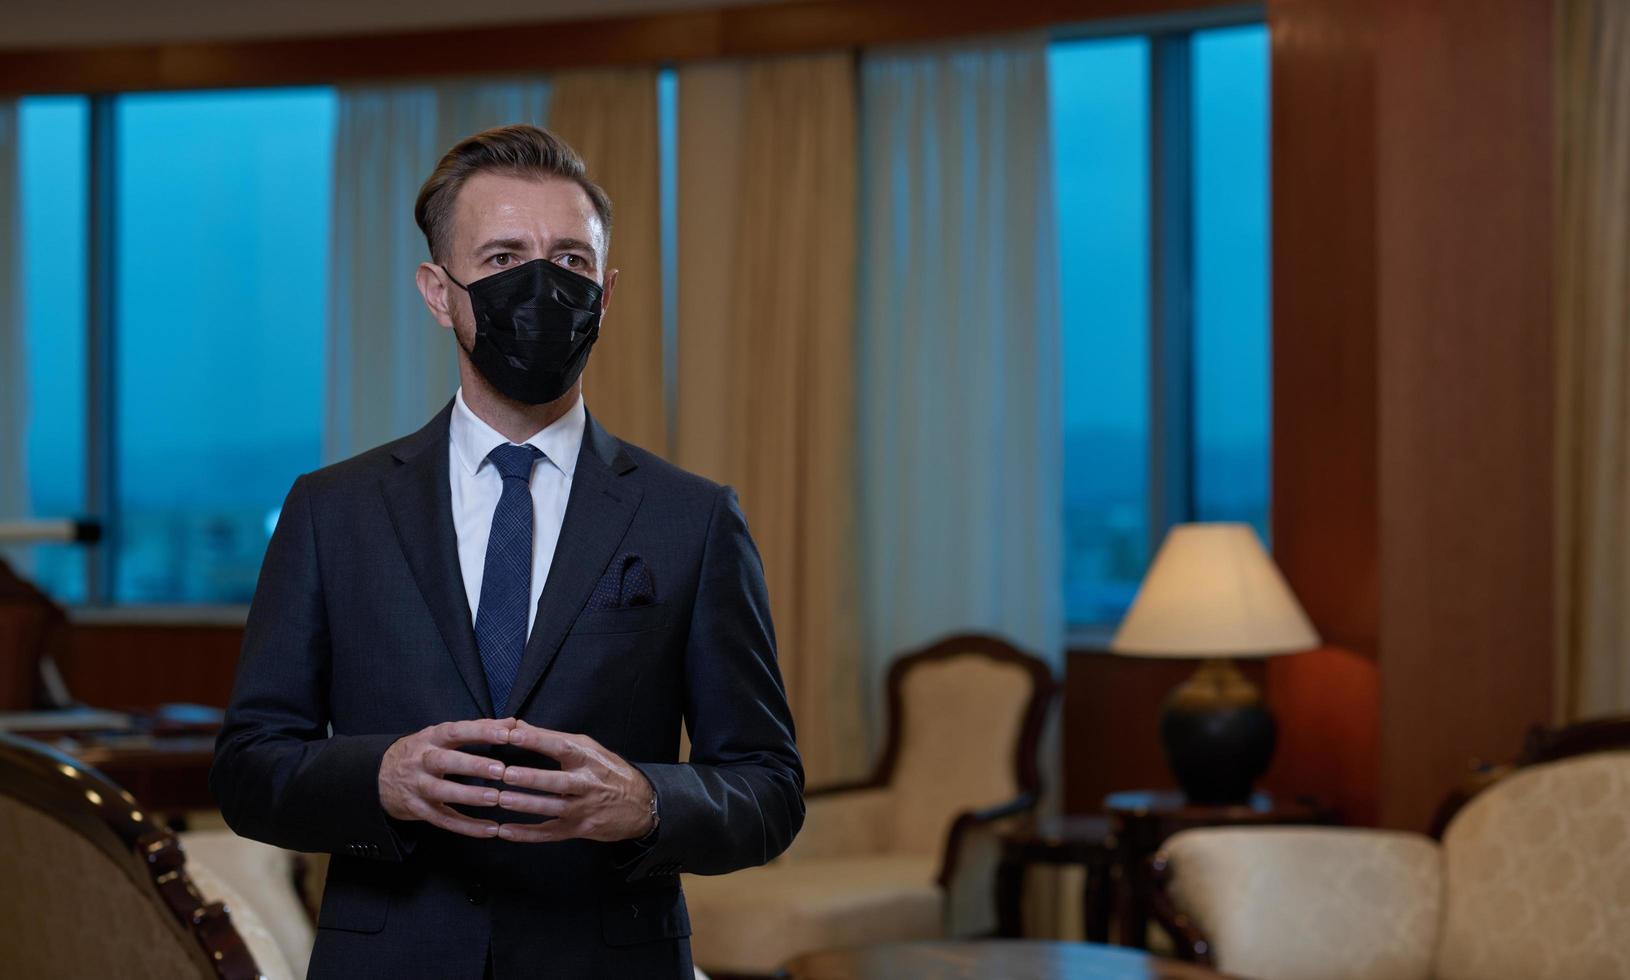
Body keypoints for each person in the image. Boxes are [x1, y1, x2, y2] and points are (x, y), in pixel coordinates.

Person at [210, 124, 804, 980]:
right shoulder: (330, 512)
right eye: (500, 258)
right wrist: (379, 777)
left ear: (605, 292)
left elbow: (769, 788)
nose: (540, 285)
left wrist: (645, 802)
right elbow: (247, 770)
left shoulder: (694, 518)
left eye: (569, 261)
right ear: (437, 291)